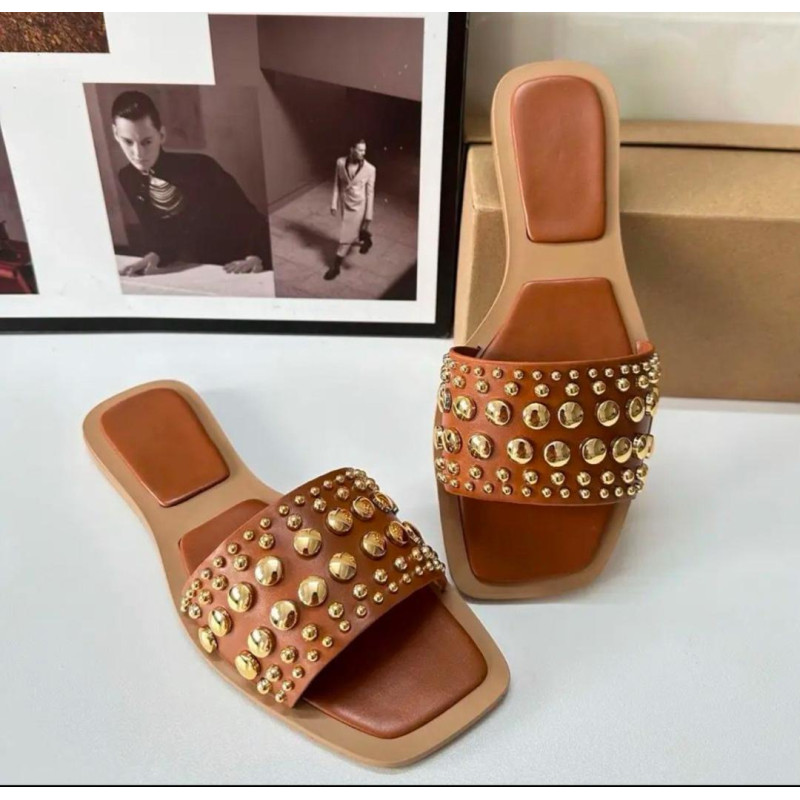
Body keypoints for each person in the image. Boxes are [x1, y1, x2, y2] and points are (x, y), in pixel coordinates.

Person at [111, 90, 271, 276]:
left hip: (239, 263)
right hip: (193, 269)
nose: (138, 154)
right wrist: (154, 256)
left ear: (161, 134)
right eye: (128, 142)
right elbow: (161, 235)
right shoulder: (128, 177)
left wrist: (256, 256)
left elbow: (251, 219)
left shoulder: (201, 167)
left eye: (146, 142)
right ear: (115, 134)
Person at [327, 139, 375, 280]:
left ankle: (336, 267)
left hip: (359, 206)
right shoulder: (340, 162)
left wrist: (368, 214)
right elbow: (336, 184)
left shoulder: (370, 169)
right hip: (345, 203)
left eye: (364, 150)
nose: (363, 153)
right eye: (360, 150)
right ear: (352, 149)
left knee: (346, 237)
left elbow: (370, 193)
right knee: (352, 231)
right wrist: (334, 203)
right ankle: (367, 239)